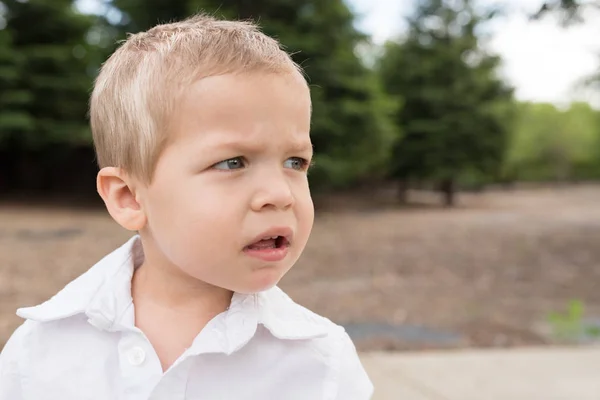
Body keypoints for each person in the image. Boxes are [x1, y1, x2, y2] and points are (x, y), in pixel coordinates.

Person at [0, 13, 373, 399]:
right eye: (233, 162)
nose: (280, 194)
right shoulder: (41, 351)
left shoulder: (321, 365)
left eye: (295, 162)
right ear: (128, 197)